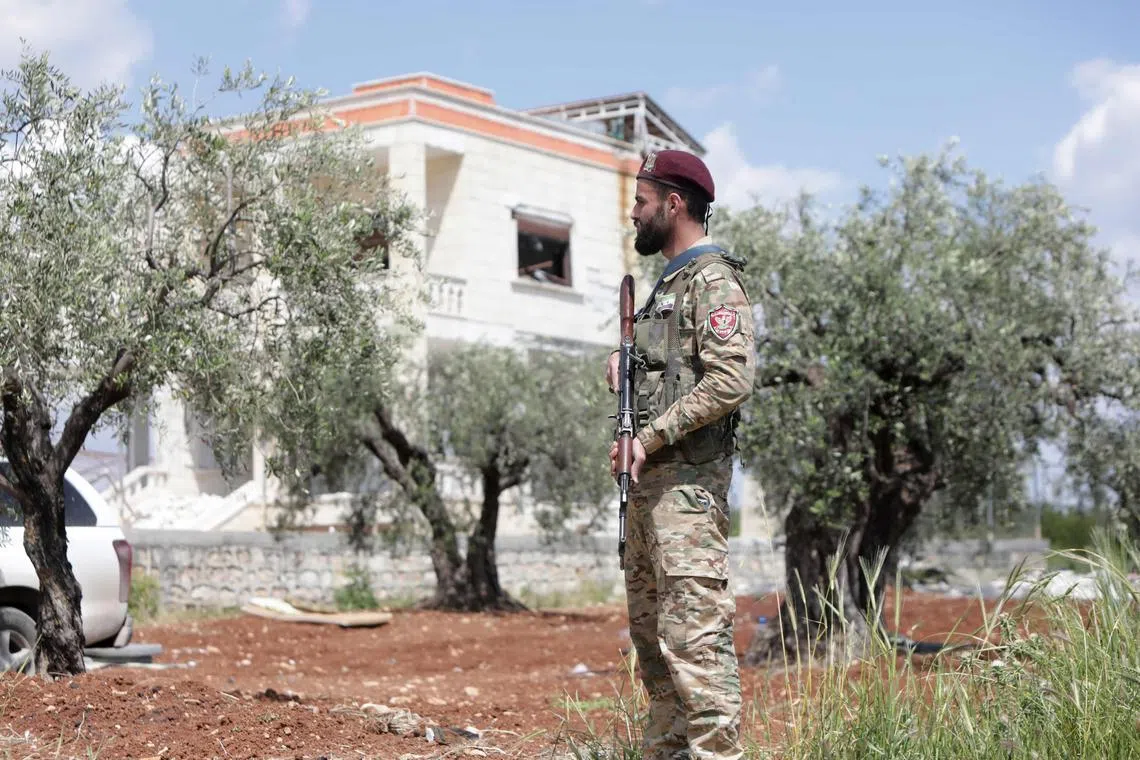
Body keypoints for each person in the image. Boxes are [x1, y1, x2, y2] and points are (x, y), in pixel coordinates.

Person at [606, 149, 755, 760]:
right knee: (655, 652)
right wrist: (623, 366)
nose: (633, 214)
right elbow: (671, 369)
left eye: (641, 202)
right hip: (650, 495)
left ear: (673, 204)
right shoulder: (666, 287)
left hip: (687, 498)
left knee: (696, 648)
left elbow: (730, 379)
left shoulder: (713, 281)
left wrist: (650, 436)